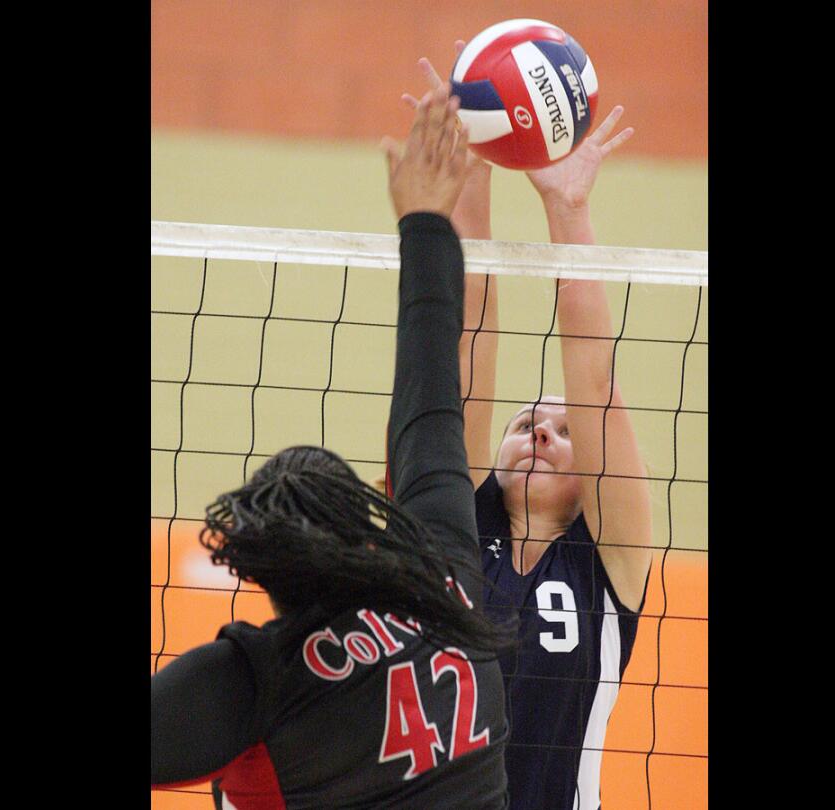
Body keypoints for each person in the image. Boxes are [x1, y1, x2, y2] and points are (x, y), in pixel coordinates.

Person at [151, 85, 517, 809]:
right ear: (367, 534)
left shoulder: (257, 681)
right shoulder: (446, 582)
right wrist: (425, 220)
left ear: (264, 568)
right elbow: (431, 402)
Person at [402, 48, 653, 810]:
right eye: (523, 424)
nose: (540, 432)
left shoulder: (607, 567)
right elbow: (464, 346)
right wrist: (470, 181)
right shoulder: (453, 528)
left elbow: (594, 378)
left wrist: (566, 209)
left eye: (561, 431)